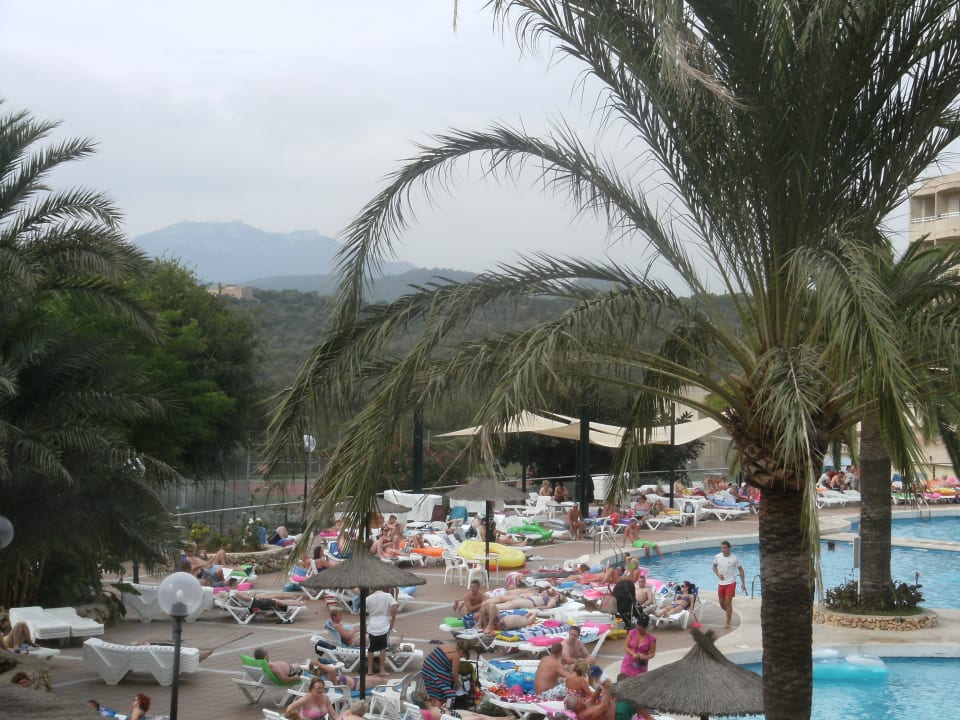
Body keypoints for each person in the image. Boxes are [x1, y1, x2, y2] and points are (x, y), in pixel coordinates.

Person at [422, 639, 473, 704]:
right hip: (433, 672)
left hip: (426, 668)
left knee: (434, 690)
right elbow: (454, 673)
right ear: (461, 651)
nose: (461, 657)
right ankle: (439, 707)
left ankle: (433, 703)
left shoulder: (446, 646)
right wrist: (458, 684)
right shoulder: (456, 656)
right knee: (446, 692)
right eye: (462, 655)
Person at [365, 586, 398, 676]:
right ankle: (382, 670)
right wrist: (392, 622)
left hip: (372, 624)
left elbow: (364, 611)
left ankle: (370, 670)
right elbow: (394, 609)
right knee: (383, 648)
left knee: (371, 648)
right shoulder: (388, 596)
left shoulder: (368, 598)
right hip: (384, 624)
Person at [713, 540, 746, 628]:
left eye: (724, 548)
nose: (723, 549)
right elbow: (714, 567)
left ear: (729, 548)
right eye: (721, 548)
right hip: (721, 583)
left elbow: (741, 570)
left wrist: (743, 583)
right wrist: (718, 574)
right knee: (722, 604)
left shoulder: (734, 558)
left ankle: (728, 622)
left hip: (731, 582)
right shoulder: (717, 557)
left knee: (728, 603)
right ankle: (729, 611)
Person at [620, 613, 656, 677]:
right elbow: (626, 646)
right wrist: (633, 654)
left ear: (645, 628)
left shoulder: (651, 638)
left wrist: (644, 657)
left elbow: (652, 654)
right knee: (624, 677)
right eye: (637, 628)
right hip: (629, 661)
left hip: (641, 664)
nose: (638, 631)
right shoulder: (632, 632)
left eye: (640, 629)